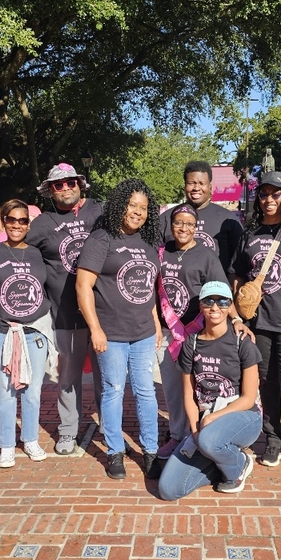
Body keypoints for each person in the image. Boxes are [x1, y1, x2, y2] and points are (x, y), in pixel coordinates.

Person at [76, 178, 161, 479]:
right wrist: (95, 329)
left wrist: (155, 322)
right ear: (119, 205)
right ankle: (115, 452)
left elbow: (147, 285)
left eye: (143, 207)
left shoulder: (149, 242)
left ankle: (151, 451)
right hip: (111, 332)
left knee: (145, 391)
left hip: (142, 332)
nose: (137, 212)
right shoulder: (102, 238)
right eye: (132, 205)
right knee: (113, 391)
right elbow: (83, 285)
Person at [230, 172, 281, 470]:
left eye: (276, 194)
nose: (269, 199)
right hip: (259, 323)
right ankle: (273, 440)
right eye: (264, 194)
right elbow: (237, 273)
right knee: (265, 382)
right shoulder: (249, 233)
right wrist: (241, 309)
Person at [156, 204, 249, 468]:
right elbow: (152, 292)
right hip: (169, 332)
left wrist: (237, 319)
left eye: (189, 224)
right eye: (178, 223)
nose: (183, 228)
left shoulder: (207, 255)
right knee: (174, 389)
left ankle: (204, 435)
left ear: (196, 227)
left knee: (202, 388)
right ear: (171, 225)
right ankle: (177, 435)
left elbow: (223, 293)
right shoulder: (162, 253)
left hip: (198, 331)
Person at [158, 281, 263, 500]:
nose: (215, 307)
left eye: (222, 301)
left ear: (229, 305)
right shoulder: (191, 344)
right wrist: (195, 431)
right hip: (206, 423)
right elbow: (188, 394)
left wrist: (212, 419)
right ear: (201, 307)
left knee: (209, 441)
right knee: (169, 489)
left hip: (243, 415)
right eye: (209, 301)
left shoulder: (241, 342)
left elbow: (249, 397)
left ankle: (238, 466)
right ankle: (218, 462)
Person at [31, 163, 103, 455]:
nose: (65, 188)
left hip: (104, 314)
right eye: (58, 185)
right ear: (50, 190)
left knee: (107, 379)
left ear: (79, 183)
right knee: (68, 379)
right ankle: (67, 432)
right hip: (66, 315)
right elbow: (19, 252)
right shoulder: (43, 223)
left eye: (70, 182)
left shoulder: (100, 212)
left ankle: (110, 428)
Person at [0, 199, 54, 468]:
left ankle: (30, 439)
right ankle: (7, 445)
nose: (17, 225)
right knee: (5, 389)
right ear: (2, 221)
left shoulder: (37, 254)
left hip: (35, 331)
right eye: (12, 220)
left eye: (23, 221)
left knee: (33, 390)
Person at [159, 160, 243, 272]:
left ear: (210, 186)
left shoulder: (228, 220)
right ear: (184, 185)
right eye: (191, 183)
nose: (196, 188)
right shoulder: (166, 218)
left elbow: (239, 262)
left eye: (201, 183)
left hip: (215, 287)